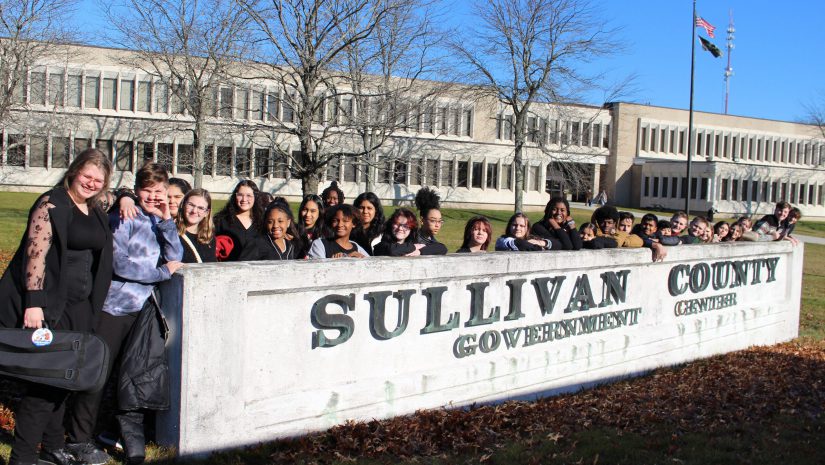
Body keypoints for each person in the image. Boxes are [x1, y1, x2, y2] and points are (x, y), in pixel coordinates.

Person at [0, 149, 114, 465]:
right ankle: (22, 457)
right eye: (87, 175)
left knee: (65, 378)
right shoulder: (52, 203)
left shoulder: (94, 207)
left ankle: (52, 447)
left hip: (81, 306)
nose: (91, 183)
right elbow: (34, 254)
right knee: (43, 384)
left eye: (98, 179)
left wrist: (128, 200)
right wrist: (33, 304)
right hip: (50, 305)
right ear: (74, 171)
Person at [68, 162, 184, 465]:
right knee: (97, 374)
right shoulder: (125, 216)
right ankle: (79, 437)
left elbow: (176, 256)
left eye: (159, 191)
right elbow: (121, 265)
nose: (153, 196)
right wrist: (160, 273)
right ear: (137, 190)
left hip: (141, 311)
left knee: (130, 374)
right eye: (147, 191)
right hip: (114, 307)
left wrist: (167, 219)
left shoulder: (156, 219)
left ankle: (114, 432)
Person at [214, 180, 265, 261]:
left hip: (255, 270)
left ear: (255, 197)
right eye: (240, 195)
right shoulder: (221, 221)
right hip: (227, 269)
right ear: (235, 196)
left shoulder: (263, 222)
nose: (244, 199)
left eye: (249, 195)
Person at [176, 188, 216, 263]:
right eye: (191, 205)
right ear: (183, 205)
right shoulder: (172, 233)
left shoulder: (209, 237)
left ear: (206, 213)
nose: (194, 211)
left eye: (200, 208)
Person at [414, 187, 448, 255]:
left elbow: (442, 248)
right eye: (433, 221)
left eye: (439, 221)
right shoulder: (412, 238)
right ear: (422, 220)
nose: (437, 225)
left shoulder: (432, 240)